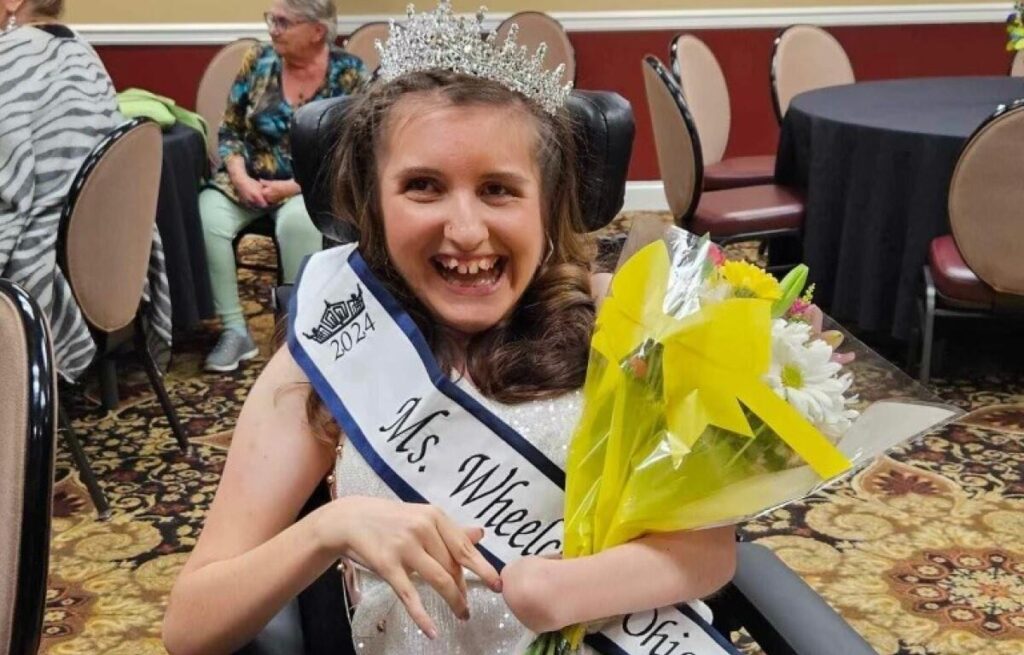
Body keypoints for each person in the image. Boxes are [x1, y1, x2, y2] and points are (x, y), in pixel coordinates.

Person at [164, 4, 736, 654]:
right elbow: (189, 625)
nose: (465, 230)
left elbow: (712, 551)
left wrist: (555, 594)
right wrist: (332, 528)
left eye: (498, 190)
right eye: (423, 187)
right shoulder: (330, 354)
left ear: (548, 207)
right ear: (373, 204)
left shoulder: (624, 320)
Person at [0, 0, 172, 380]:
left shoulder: (8, 59)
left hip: (45, 257)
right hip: (108, 253)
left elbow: (8, 190)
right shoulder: (81, 47)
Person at [200, 0, 365, 372]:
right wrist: (240, 176)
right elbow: (230, 130)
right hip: (248, 180)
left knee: (297, 223)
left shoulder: (350, 73)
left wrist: (291, 187)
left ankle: (294, 328)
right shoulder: (257, 62)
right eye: (271, 20)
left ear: (317, 31)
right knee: (207, 215)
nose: (273, 29)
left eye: (283, 22)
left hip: (310, 185)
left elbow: (350, 150)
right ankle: (234, 331)